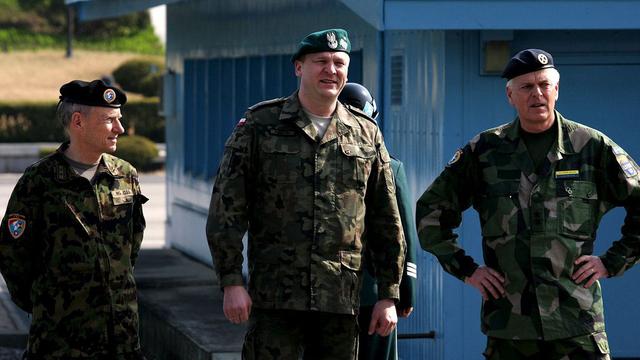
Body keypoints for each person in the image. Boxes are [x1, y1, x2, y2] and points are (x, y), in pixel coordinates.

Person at [416, 48, 640, 359]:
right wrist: (468, 270)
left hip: (576, 325)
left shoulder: (591, 148)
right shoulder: (484, 152)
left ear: (557, 90)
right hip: (510, 329)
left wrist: (612, 261)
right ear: (510, 95)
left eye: (544, 85)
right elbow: (431, 213)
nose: (537, 94)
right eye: (526, 87)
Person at [205, 29, 406, 360]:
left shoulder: (366, 133)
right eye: (321, 62)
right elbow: (226, 209)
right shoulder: (260, 124)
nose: (331, 70)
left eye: (339, 63)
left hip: (339, 301)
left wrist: (388, 295)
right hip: (275, 300)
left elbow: (386, 218)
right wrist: (231, 281)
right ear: (299, 68)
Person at [0, 79, 148, 359]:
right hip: (61, 343)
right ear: (78, 122)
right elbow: (13, 256)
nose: (120, 129)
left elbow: (132, 246)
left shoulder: (125, 175)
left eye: (119, 120)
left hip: (122, 340)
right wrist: (49, 303)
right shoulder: (39, 181)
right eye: (110, 120)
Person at [338, 83, 418, 360]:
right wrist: (405, 294)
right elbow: (405, 235)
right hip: (373, 293)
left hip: (344, 296)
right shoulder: (391, 167)